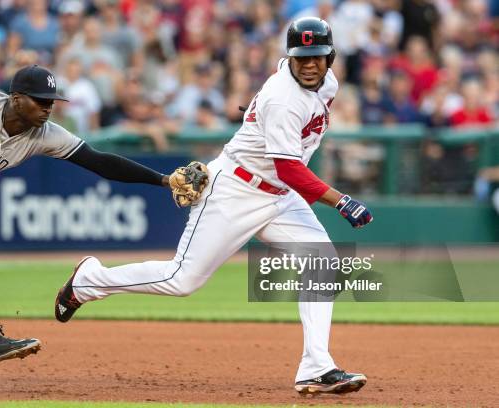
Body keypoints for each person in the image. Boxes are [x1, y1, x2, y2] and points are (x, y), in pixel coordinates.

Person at [55, 17, 373, 395]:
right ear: (289, 58)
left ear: (330, 57)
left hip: (277, 195)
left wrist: (255, 116)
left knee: (321, 260)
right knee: (181, 280)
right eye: (300, 57)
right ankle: (90, 280)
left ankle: (316, 367)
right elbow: (289, 168)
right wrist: (342, 201)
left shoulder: (325, 84)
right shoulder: (282, 100)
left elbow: (289, 148)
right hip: (236, 191)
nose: (308, 64)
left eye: (316, 57)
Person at [0, 64, 190, 369]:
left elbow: (99, 162)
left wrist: (163, 180)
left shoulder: (44, 135)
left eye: (51, 101)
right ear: (17, 98)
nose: (48, 107)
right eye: (41, 100)